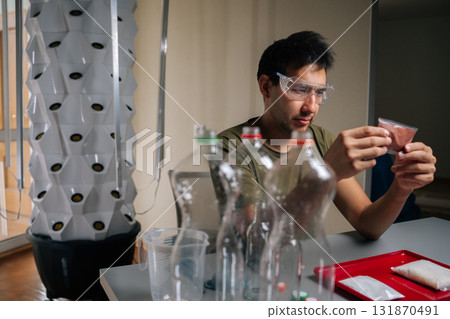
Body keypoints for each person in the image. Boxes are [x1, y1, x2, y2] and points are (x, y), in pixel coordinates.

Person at [218, 31, 436, 240]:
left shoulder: (320, 139)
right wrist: (325, 172)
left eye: (319, 92)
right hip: (249, 274)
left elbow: (367, 224)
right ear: (266, 87)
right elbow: (256, 238)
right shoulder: (228, 146)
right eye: (299, 90)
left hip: (309, 268)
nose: (311, 107)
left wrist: (402, 187)